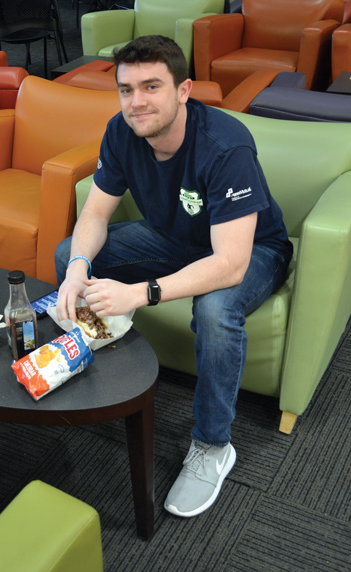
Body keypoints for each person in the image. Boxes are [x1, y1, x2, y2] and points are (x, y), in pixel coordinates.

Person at [55, 35, 293, 518]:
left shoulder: (224, 146)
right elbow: (96, 215)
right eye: (126, 89)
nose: (136, 102)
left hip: (252, 249)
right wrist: (78, 269)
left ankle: (212, 445)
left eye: (151, 87)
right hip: (169, 238)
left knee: (215, 308)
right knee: (68, 255)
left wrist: (139, 295)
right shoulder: (121, 131)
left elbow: (230, 263)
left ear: (184, 90)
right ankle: (110, 358)